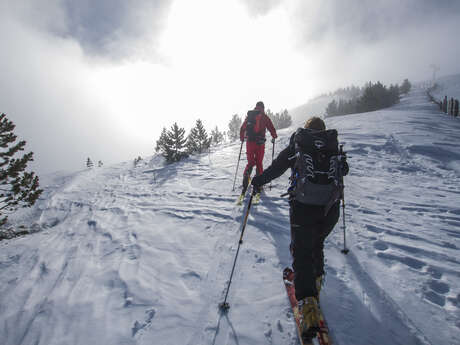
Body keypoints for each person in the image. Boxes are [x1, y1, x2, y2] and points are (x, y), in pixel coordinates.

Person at [251, 116, 348, 340]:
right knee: (317, 243)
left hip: (304, 208)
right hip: (330, 210)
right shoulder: (332, 147)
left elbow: (277, 168)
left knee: (302, 252)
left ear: (306, 129)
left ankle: (308, 310)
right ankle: (315, 282)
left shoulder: (299, 144)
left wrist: (258, 181)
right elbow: (344, 171)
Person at [239, 101, 277, 195]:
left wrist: (242, 138)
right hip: (260, 143)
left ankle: (246, 178)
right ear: (263, 108)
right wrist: (274, 135)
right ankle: (259, 183)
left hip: (250, 142)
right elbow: (271, 127)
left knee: (251, 162)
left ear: (256, 107)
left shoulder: (250, 115)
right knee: (259, 163)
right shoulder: (264, 117)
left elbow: (243, 127)